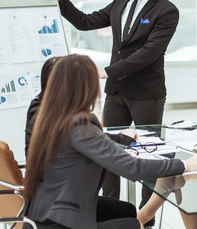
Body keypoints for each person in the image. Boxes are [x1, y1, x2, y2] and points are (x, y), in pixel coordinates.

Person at [35, 0, 180, 224]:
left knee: (149, 158)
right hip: (116, 94)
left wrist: (108, 71)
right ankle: (112, 217)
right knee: (106, 154)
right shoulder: (119, 3)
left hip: (147, 95)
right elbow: (85, 22)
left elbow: (149, 52)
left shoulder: (167, 10)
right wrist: (62, 0)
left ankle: (143, 220)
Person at [23, 54, 197, 229]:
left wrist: (115, 150)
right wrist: (184, 165)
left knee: (126, 211)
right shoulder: (78, 123)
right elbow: (133, 169)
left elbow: (88, 147)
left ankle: (146, 214)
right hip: (62, 222)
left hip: (42, 213)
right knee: (134, 225)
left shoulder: (49, 116)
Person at [24, 56, 139, 223]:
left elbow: (87, 138)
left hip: (53, 198)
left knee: (126, 210)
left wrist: (121, 140)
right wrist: (123, 140)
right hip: (57, 205)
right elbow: (85, 139)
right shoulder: (46, 112)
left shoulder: (45, 106)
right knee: (131, 220)